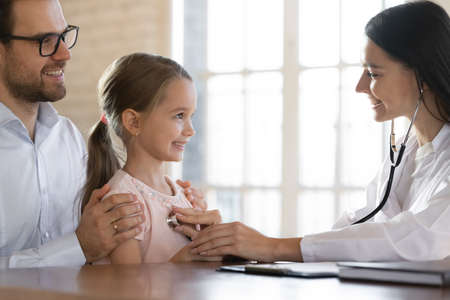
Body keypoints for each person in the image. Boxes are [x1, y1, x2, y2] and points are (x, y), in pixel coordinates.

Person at [176, 0, 450, 262]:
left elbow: (423, 238)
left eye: (374, 74)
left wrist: (272, 247)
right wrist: (239, 243)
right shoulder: (406, 150)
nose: (360, 86)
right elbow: (362, 224)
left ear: (421, 75)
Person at [0, 0, 147, 268]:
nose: (65, 54)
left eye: (64, 36)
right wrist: (79, 248)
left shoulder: (68, 137)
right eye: (46, 40)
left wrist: (175, 213)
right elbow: (85, 245)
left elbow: (102, 244)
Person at [82, 53, 221, 264]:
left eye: (191, 116)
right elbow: (130, 287)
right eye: (179, 116)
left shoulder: (182, 194)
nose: (191, 130)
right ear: (134, 122)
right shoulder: (122, 202)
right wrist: (184, 260)